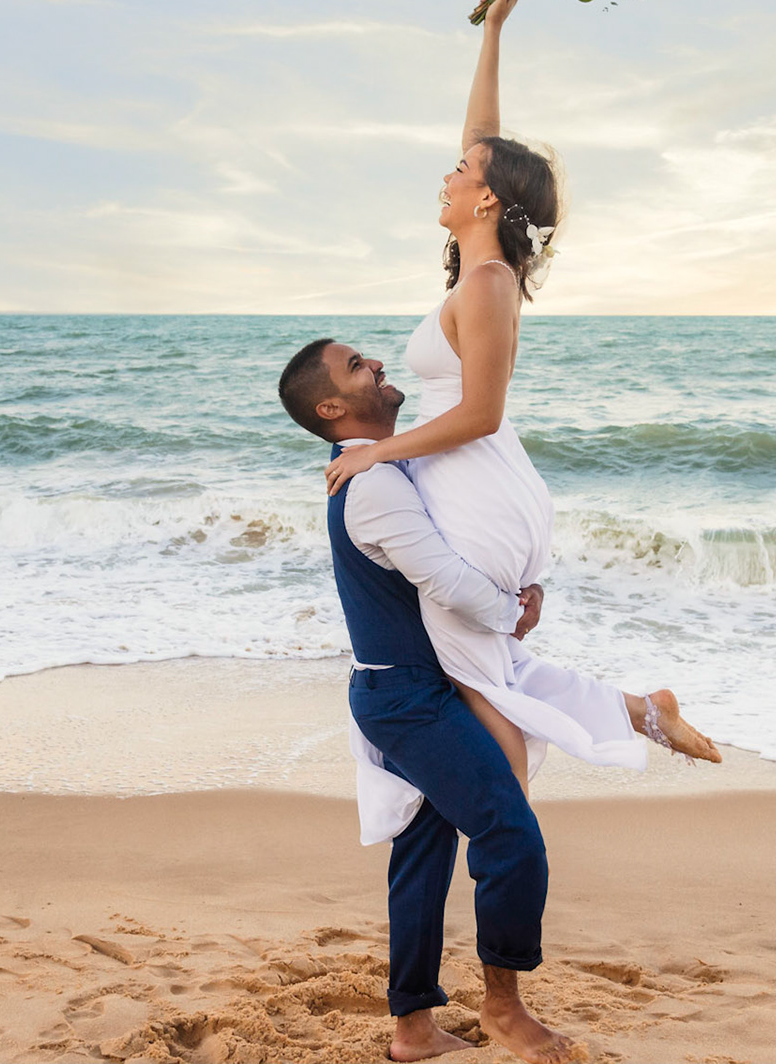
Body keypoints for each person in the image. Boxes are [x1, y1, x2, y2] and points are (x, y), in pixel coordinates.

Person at [319, 0, 720, 811]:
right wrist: (494, 29)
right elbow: (483, 138)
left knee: (476, 676)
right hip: (480, 484)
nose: (449, 171)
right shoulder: (480, 272)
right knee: (490, 665)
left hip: (477, 483)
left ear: (489, 198)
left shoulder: (489, 283)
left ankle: (511, 839)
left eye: (463, 170)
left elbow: (481, 413)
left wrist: (376, 456)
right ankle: (641, 713)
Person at [277, 336, 577, 1063]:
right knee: (508, 833)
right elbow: (444, 577)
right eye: (357, 366)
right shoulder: (372, 484)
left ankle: (412, 1029)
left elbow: (466, 533)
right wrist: (511, 614)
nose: (377, 364)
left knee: (422, 853)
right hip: (408, 695)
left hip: (410, 687)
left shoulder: (384, 464)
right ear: (331, 407)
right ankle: (503, 1008)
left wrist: (522, 583)